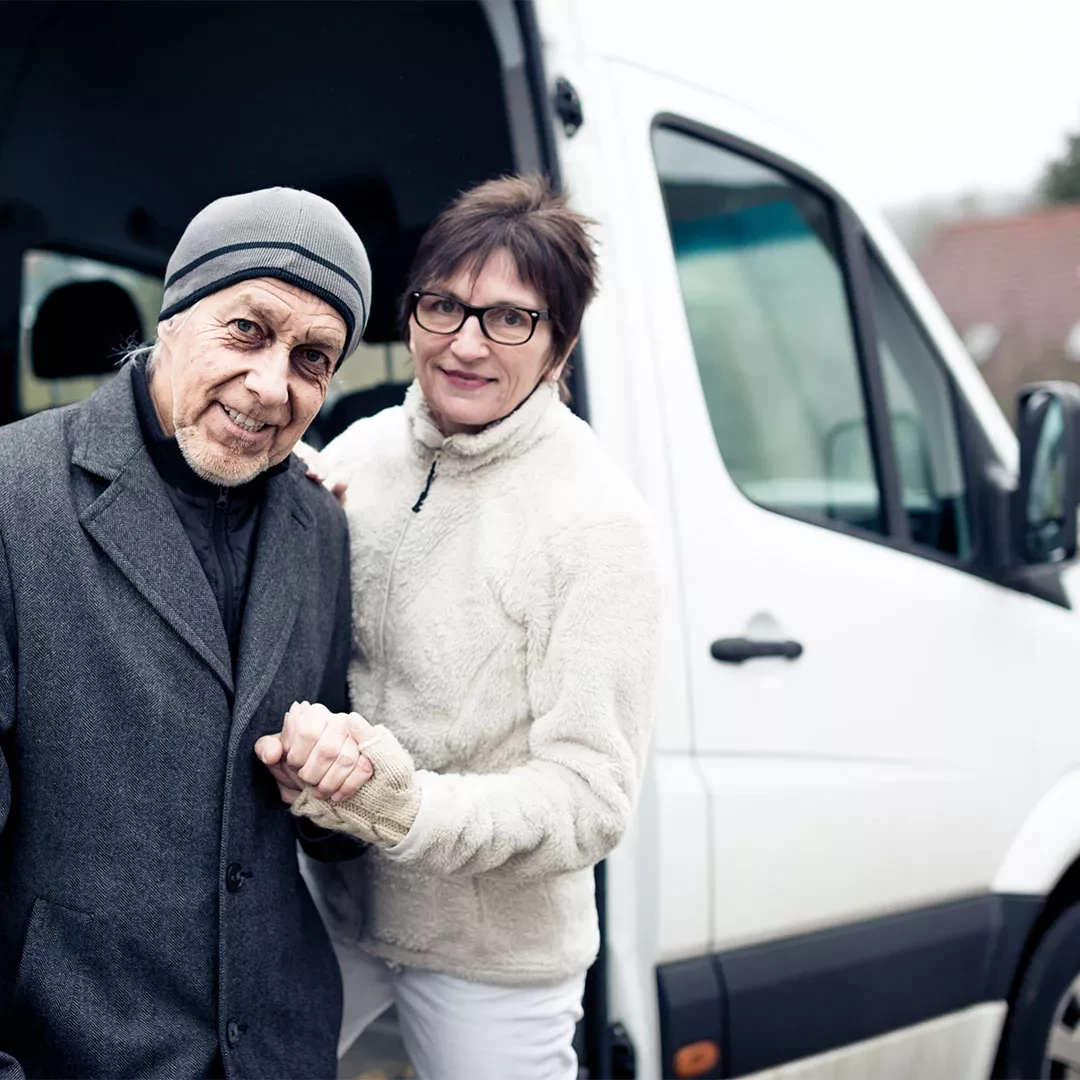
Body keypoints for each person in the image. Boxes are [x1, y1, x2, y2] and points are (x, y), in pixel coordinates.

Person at [256, 175, 663, 1080]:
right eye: (443, 306)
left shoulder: (599, 527)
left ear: (561, 344)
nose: (466, 343)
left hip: (496, 956)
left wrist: (408, 809)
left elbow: (592, 797)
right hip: (336, 908)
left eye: (509, 319)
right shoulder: (353, 457)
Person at [0, 187, 373, 1078]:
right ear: (172, 317)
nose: (272, 385)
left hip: (280, 1049)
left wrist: (343, 785)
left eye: (314, 357)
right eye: (247, 329)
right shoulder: (13, 496)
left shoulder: (321, 528)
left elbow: (326, 825)